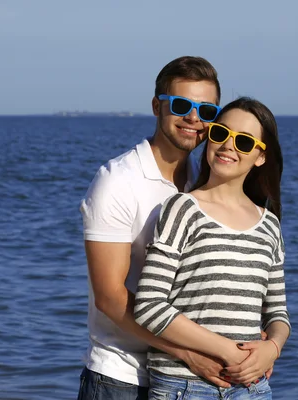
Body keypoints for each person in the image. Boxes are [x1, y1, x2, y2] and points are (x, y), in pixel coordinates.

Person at [77, 56, 230, 400]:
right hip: (122, 377)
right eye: (181, 105)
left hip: (186, 380)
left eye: (207, 111)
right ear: (157, 106)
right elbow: (109, 298)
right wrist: (188, 352)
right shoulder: (118, 181)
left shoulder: (204, 181)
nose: (194, 118)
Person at [134, 97, 290, 399]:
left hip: (252, 389)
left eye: (244, 142)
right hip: (184, 387)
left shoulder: (269, 224)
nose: (229, 146)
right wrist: (227, 350)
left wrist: (272, 348)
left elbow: (278, 314)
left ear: (260, 157)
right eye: (221, 133)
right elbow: (149, 306)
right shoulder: (182, 209)